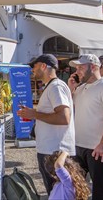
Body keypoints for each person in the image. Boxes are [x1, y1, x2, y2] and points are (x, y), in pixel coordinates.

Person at [17, 54, 75, 195]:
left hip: (55, 153)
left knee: (58, 195)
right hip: (52, 151)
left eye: (34, 66)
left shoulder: (56, 86)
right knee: (55, 194)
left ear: (44, 66)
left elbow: (64, 117)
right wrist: (34, 113)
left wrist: (34, 114)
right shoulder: (52, 86)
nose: (32, 70)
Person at [68, 54, 103, 200]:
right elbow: (70, 111)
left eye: (81, 67)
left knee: (100, 192)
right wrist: (70, 89)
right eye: (76, 68)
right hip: (78, 147)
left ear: (94, 67)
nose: (77, 71)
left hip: (97, 150)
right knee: (76, 190)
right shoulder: (80, 88)